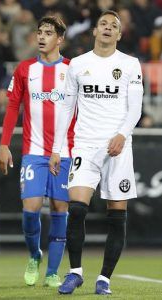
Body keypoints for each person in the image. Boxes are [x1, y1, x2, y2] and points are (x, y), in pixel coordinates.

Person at [49, 10, 143, 295]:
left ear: (119, 34)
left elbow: (135, 108)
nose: (107, 28)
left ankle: (104, 278)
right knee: (76, 209)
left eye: (113, 25)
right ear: (94, 31)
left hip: (118, 147)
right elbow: (66, 108)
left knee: (117, 214)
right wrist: (56, 149)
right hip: (85, 145)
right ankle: (75, 272)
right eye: (103, 23)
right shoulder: (78, 65)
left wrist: (121, 135)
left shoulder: (129, 64)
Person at [0, 16, 75, 288]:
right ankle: (34, 255)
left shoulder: (72, 70)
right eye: (39, 32)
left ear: (60, 39)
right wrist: (4, 144)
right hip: (33, 151)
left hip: (65, 152)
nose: (42, 37)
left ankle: (53, 272)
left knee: (59, 208)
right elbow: (11, 107)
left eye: (48, 33)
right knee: (30, 209)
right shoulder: (24, 69)